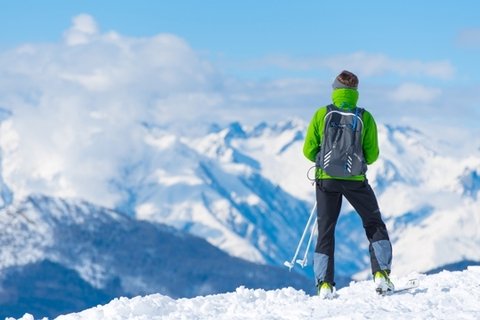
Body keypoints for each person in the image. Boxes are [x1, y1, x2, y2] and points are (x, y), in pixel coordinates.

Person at [302, 70, 394, 299]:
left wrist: (324, 160)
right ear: (356, 92)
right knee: (373, 223)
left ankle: (324, 284)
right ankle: (381, 273)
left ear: (335, 90)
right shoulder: (365, 117)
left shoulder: (322, 114)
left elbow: (307, 150)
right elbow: (372, 155)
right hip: (355, 181)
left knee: (326, 230)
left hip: (326, 180)